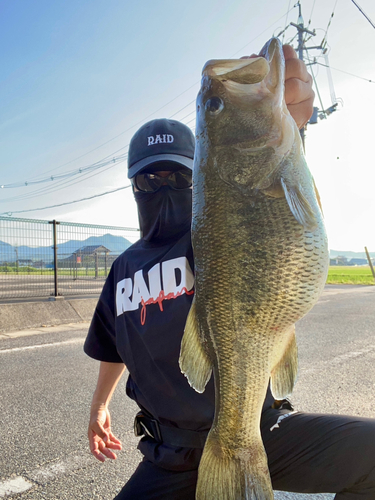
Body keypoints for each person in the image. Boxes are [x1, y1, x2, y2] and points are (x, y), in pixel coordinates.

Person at [84, 46, 375, 499]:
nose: (161, 188)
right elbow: (110, 343)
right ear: (133, 185)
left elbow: (259, 217)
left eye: (177, 178)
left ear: (199, 177)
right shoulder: (123, 267)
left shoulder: (207, 238)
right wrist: (100, 406)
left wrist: (291, 124)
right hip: (167, 452)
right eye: (147, 180)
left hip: (261, 428)